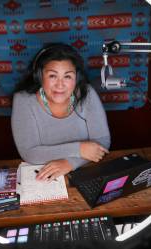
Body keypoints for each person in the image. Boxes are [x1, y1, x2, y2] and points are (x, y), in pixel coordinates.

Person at [11, 43, 111, 182]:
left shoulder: (87, 93)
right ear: (40, 76)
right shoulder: (23, 100)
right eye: (53, 76)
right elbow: (29, 152)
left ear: (76, 77)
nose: (60, 84)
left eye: (67, 76)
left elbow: (102, 140)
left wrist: (70, 163)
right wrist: (79, 149)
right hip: (44, 177)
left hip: (86, 171)